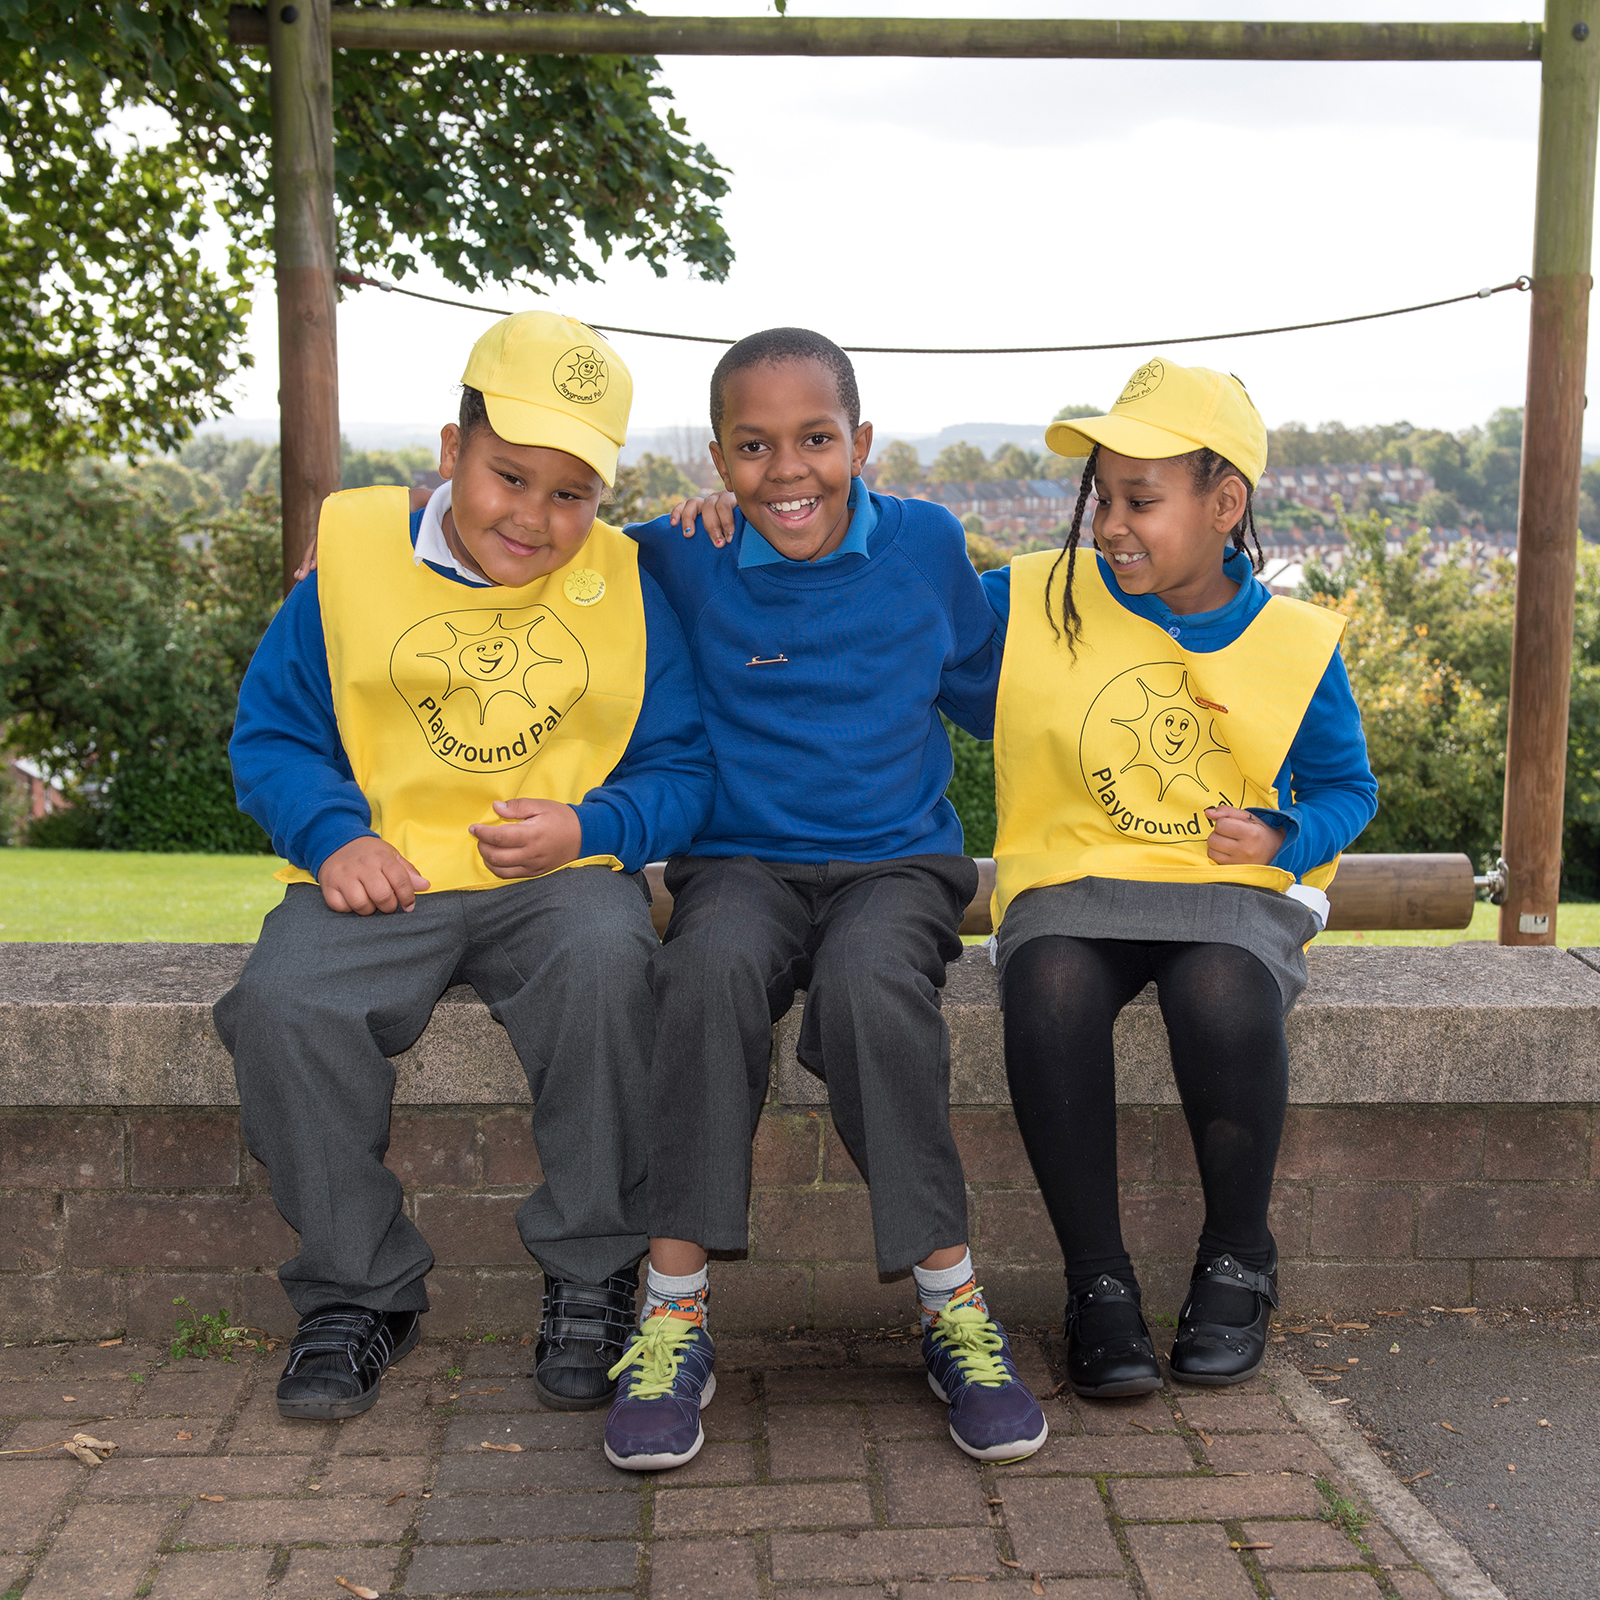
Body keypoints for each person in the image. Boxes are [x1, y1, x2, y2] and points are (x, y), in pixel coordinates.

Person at [214, 312, 715, 1420]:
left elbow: (684, 768)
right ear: (451, 451)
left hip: (560, 881)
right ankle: (357, 1290)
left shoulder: (627, 584)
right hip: (382, 871)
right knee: (285, 1004)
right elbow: (272, 736)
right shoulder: (349, 560)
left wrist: (591, 831)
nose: (536, 517)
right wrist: (333, 836)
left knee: (607, 964)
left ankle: (593, 1276)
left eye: (572, 492)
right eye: (509, 477)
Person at [599, 327, 1047, 1473]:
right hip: (737, 862)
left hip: (895, 864)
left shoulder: (928, 546)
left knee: (869, 991)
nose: (785, 470)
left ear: (862, 443)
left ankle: (953, 1305)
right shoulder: (680, 553)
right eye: (752, 447)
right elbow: (538, 547)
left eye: (814, 439)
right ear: (716, 458)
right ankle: (672, 1312)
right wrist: (383, 538)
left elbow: (1005, 674)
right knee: (700, 974)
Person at [982, 358, 1377, 1397]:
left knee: (1221, 991)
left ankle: (1238, 1254)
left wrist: (1284, 836)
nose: (1110, 524)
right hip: (1073, 883)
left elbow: (1347, 788)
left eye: (1140, 500)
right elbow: (899, 620)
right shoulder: (1035, 598)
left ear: (1224, 503)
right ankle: (1098, 1285)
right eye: (1101, 498)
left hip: (1227, 897)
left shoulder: (1295, 644)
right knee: (1049, 985)